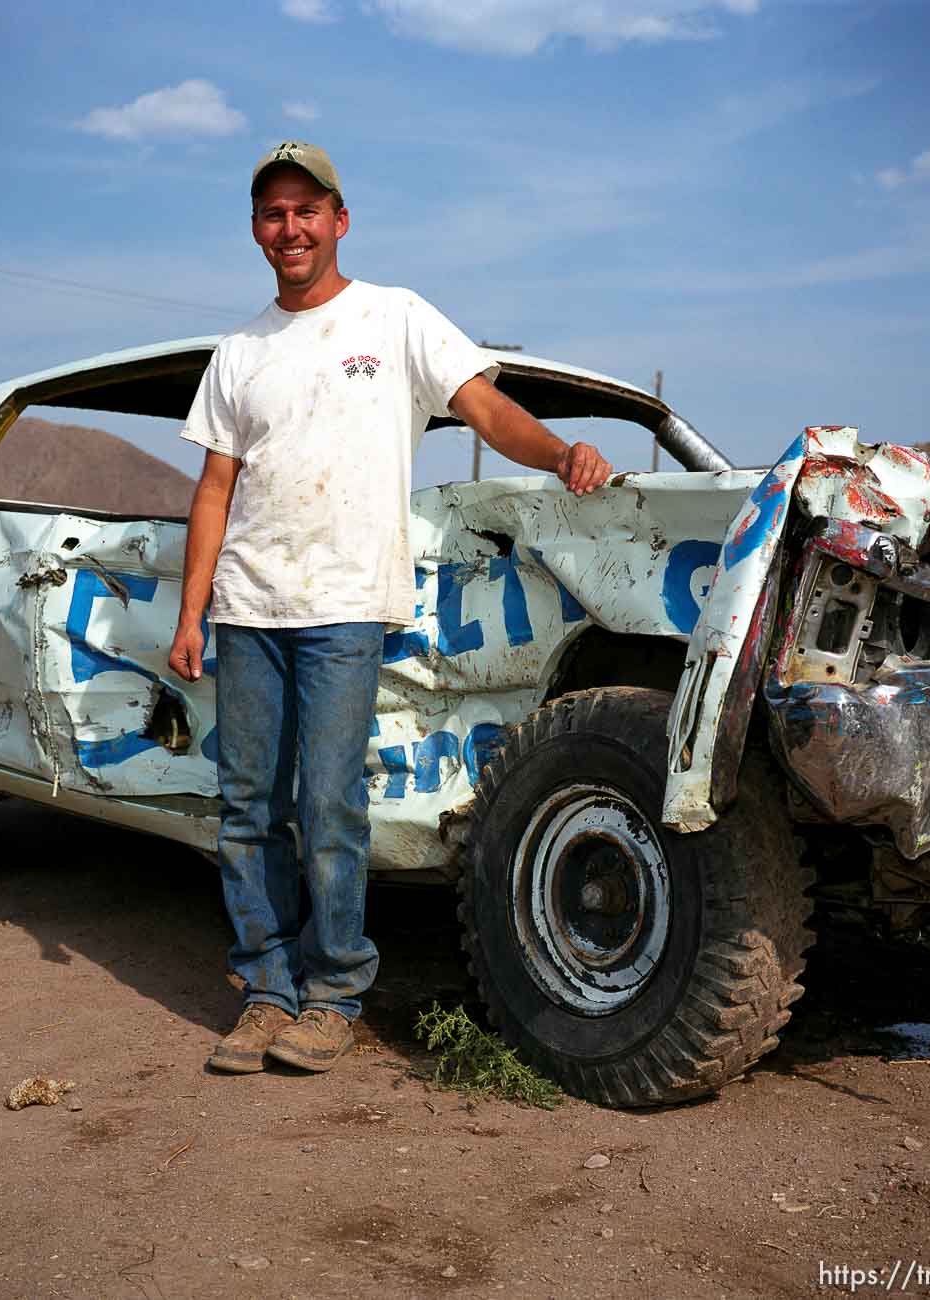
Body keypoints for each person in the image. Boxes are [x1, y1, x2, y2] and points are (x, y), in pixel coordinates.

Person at [169, 141, 611, 1075]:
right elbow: (214, 487)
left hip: (342, 608)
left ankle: (330, 995)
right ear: (256, 231)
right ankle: (262, 990)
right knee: (247, 806)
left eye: (305, 211)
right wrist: (191, 612)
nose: (288, 228)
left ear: (338, 220)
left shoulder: (395, 317)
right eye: (271, 214)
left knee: (328, 805)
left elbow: (485, 409)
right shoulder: (239, 351)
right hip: (249, 606)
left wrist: (558, 453)